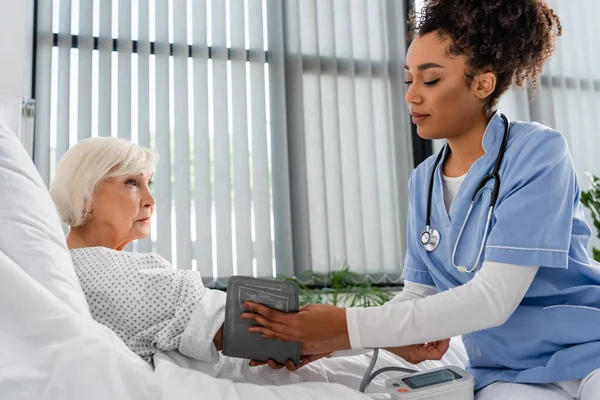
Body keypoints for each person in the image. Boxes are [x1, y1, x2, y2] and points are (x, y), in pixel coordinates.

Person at [240, 0, 600, 398]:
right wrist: (328, 342)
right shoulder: (424, 181)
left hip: (589, 351)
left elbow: (493, 300)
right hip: (504, 369)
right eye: (408, 80)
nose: (412, 96)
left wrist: (343, 324)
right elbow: (419, 293)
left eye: (429, 81)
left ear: (482, 83)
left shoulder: (537, 152)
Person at [49, 136, 456, 392]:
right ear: (85, 195)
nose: (151, 200)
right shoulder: (106, 272)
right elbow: (257, 325)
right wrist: (388, 335)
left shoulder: (75, 267)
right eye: (131, 183)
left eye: (149, 183)